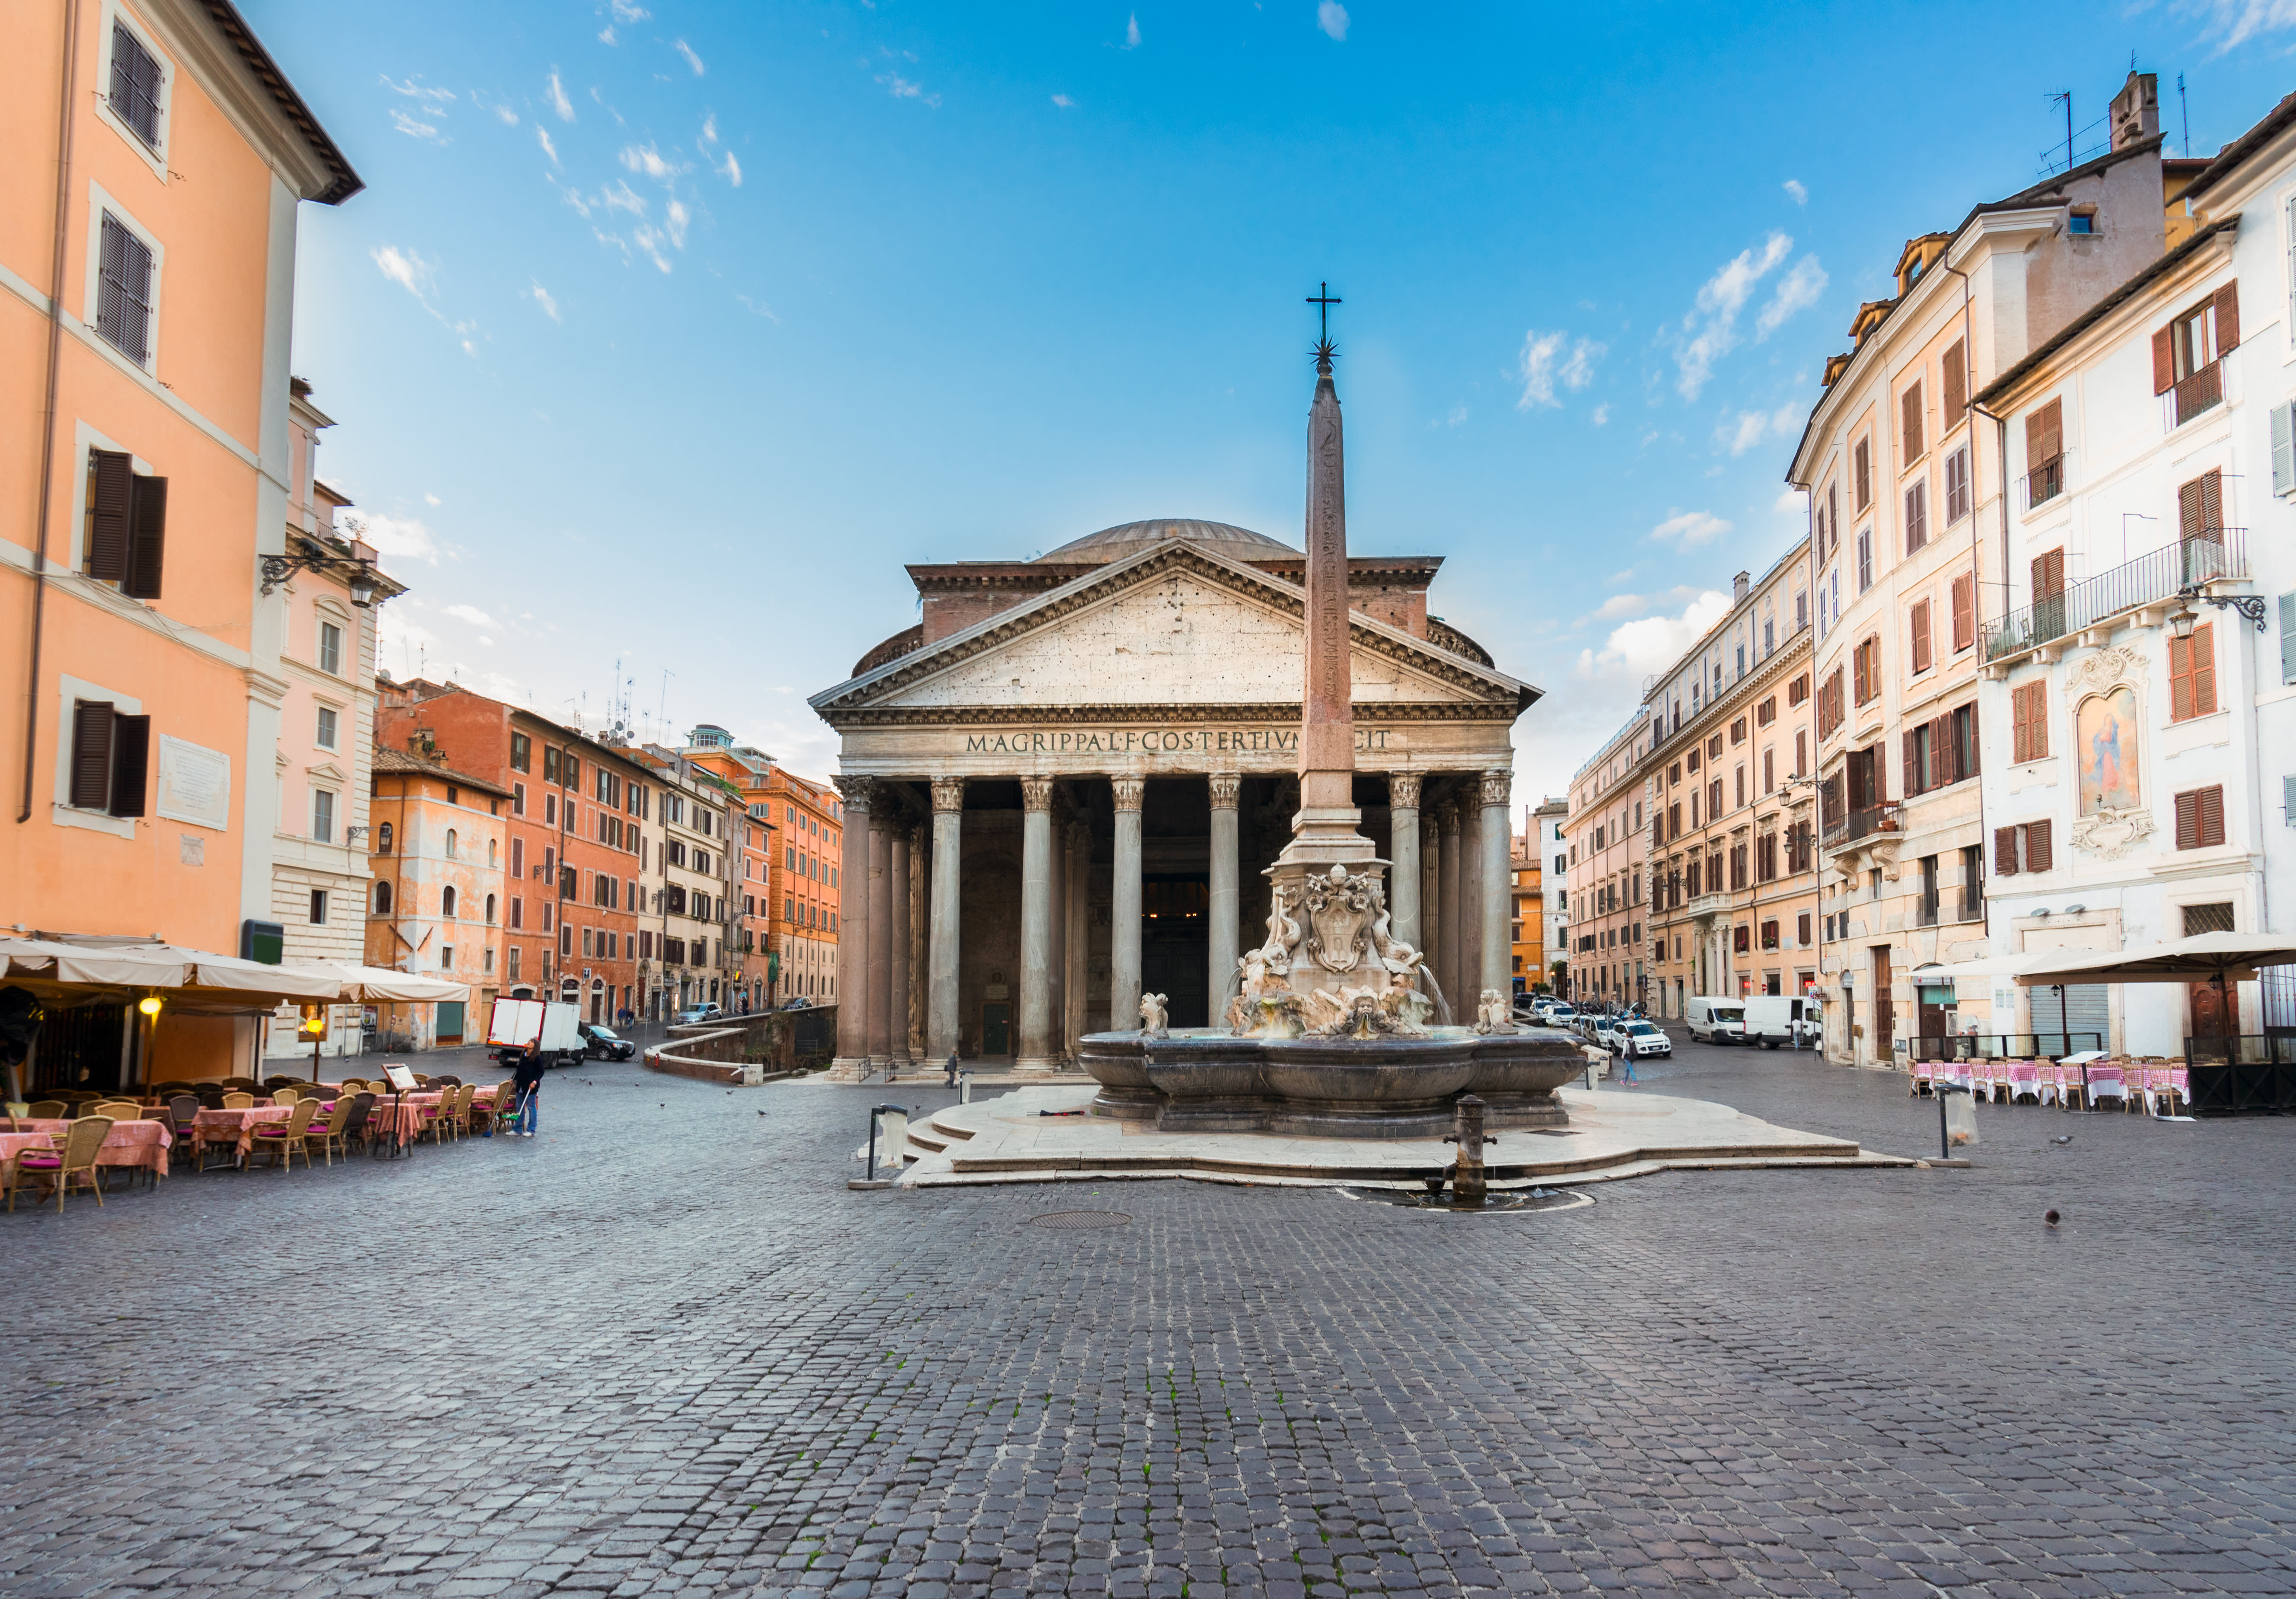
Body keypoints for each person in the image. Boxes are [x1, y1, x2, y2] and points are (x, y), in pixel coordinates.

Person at [506, 1048, 548, 1137]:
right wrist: (513, 1079)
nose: (529, 1043)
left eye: (531, 1042)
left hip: (531, 1086)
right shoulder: (523, 1056)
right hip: (521, 1086)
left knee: (531, 1108)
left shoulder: (537, 1058)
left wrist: (535, 1082)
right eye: (529, 1042)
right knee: (519, 1108)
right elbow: (519, 1070)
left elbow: (541, 1072)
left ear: (535, 1046)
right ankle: (517, 1129)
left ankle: (531, 1130)